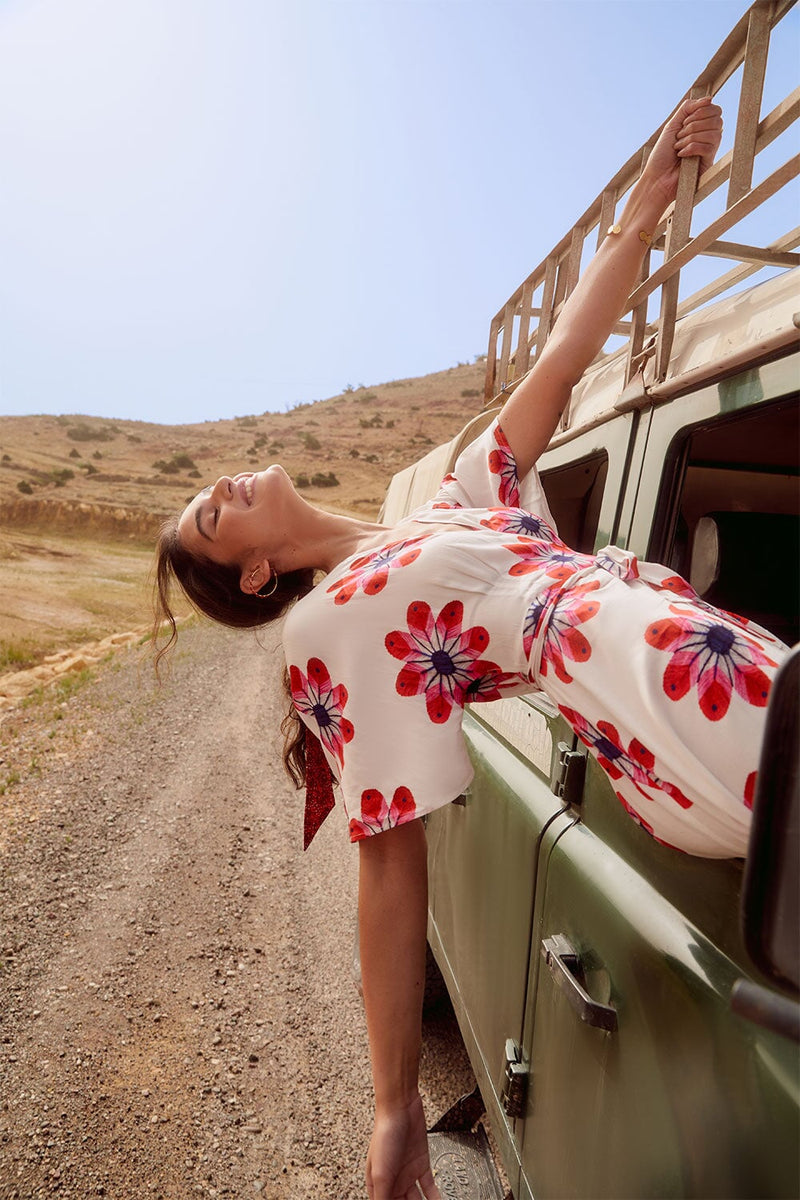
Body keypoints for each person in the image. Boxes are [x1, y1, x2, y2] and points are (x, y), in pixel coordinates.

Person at [153, 97, 788, 1200]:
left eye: (207, 492)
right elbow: (388, 864)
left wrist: (643, 202)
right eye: (214, 518)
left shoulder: (454, 497)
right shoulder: (324, 626)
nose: (222, 487)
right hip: (656, 693)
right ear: (254, 575)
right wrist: (394, 1106)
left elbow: (560, 356)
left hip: (686, 646)